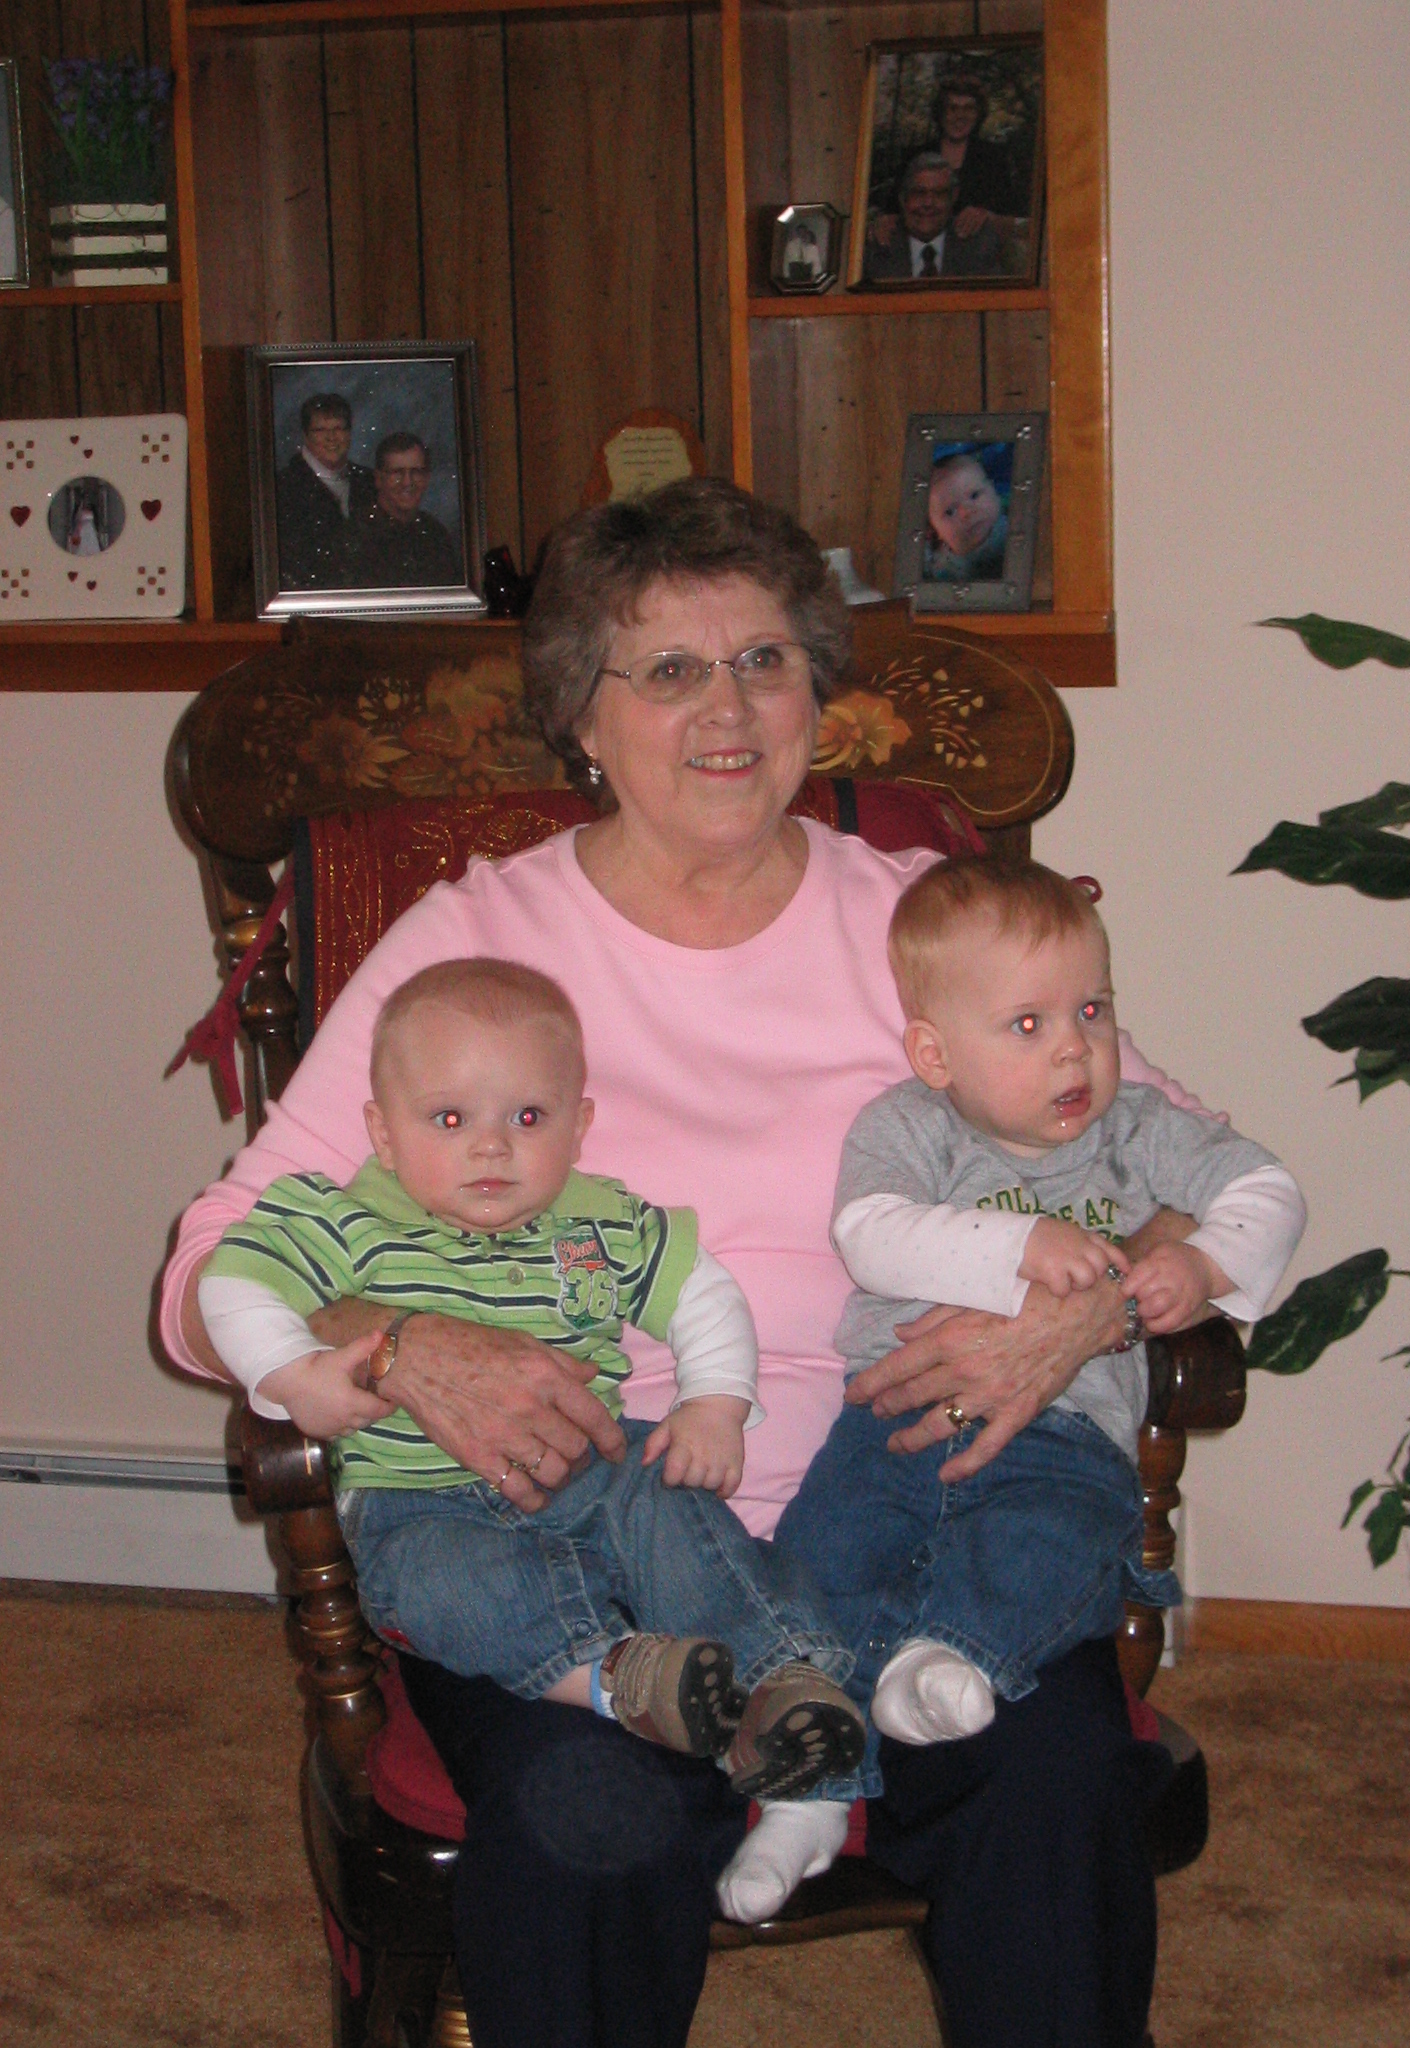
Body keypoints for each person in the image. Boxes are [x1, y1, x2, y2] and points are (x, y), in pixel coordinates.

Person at [161, 476, 1223, 2048]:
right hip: (589, 1540)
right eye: (668, 669)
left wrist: (1076, 1325)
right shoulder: (472, 953)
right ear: (581, 717)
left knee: (1056, 1780)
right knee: (590, 1819)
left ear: (815, 696)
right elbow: (211, 1270)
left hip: (924, 1511)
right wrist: (402, 1346)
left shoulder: (918, 931)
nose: (725, 712)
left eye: (764, 662)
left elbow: (1195, 1174)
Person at [757, 856, 1306, 1909]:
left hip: (1068, 1437)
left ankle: (947, 1659)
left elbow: (1267, 1186)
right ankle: (808, 1786)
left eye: (1093, 1010)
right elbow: (871, 1234)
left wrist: (1204, 1263)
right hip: (895, 1423)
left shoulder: (1138, 1128)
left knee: (1053, 1551)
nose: (1073, 1048)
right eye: (1027, 1024)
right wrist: (1018, 1246)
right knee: (821, 1560)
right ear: (935, 1052)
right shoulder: (908, 1126)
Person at [198, 956, 863, 1798]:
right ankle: (623, 1678)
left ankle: (781, 1677)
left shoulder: (602, 1221)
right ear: (384, 1132)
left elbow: (702, 1293)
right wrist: (290, 1374)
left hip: (589, 1463)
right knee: (437, 1587)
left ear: (579, 1126)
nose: (491, 1145)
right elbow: (234, 1279)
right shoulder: (343, 1221)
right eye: (448, 1118)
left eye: (528, 1116)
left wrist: (714, 1403)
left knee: (671, 1499)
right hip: (418, 1500)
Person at [869, 75, 1022, 262]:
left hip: (976, 257)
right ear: (941, 113)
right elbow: (894, 210)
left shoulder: (994, 158)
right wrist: (886, 221)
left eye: (968, 108)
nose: (960, 116)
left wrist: (987, 216)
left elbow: (1013, 218)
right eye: (953, 108)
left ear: (978, 114)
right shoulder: (914, 157)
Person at [274, 392, 375, 591]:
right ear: (305, 436)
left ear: (349, 433)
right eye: (320, 430)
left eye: (338, 428)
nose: (331, 438)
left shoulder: (370, 482)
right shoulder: (283, 488)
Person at [349, 431, 463, 588]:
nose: (407, 482)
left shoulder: (436, 534)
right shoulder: (355, 537)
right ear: (378, 478)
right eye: (397, 473)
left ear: (427, 478)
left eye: (416, 472)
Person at [862, 156, 1003, 281]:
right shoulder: (876, 247)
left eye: (939, 194)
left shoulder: (979, 245)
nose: (928, 203)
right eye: (919, 193)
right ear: (903, 198)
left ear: (953, 197)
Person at [924, 449, 1010, 581]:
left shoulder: (1016, 523)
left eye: (974, 495)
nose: (967, 513)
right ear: (934, 530)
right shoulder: (935, 565)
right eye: (950, 512)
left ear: (994, 491)